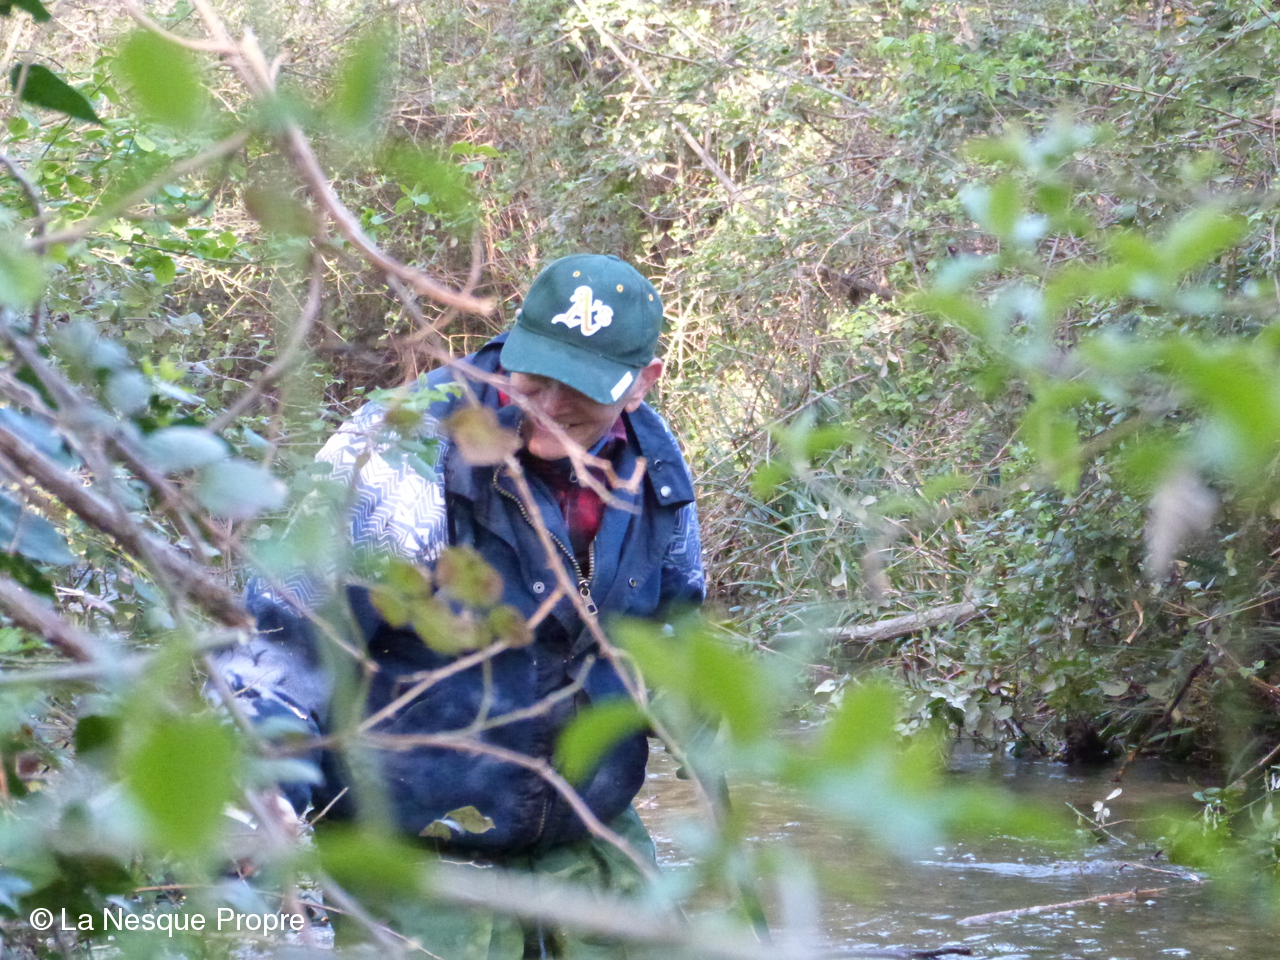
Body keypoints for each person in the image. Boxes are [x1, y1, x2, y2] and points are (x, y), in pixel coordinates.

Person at [216, 253, 705, 955]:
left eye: (581, 388)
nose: (550, 404)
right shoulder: (402, 452)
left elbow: (674, 628)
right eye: (535, 377)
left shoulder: (654, 467)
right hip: (415, 861)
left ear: (642, 384)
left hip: (590, 841)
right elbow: (283, 645)